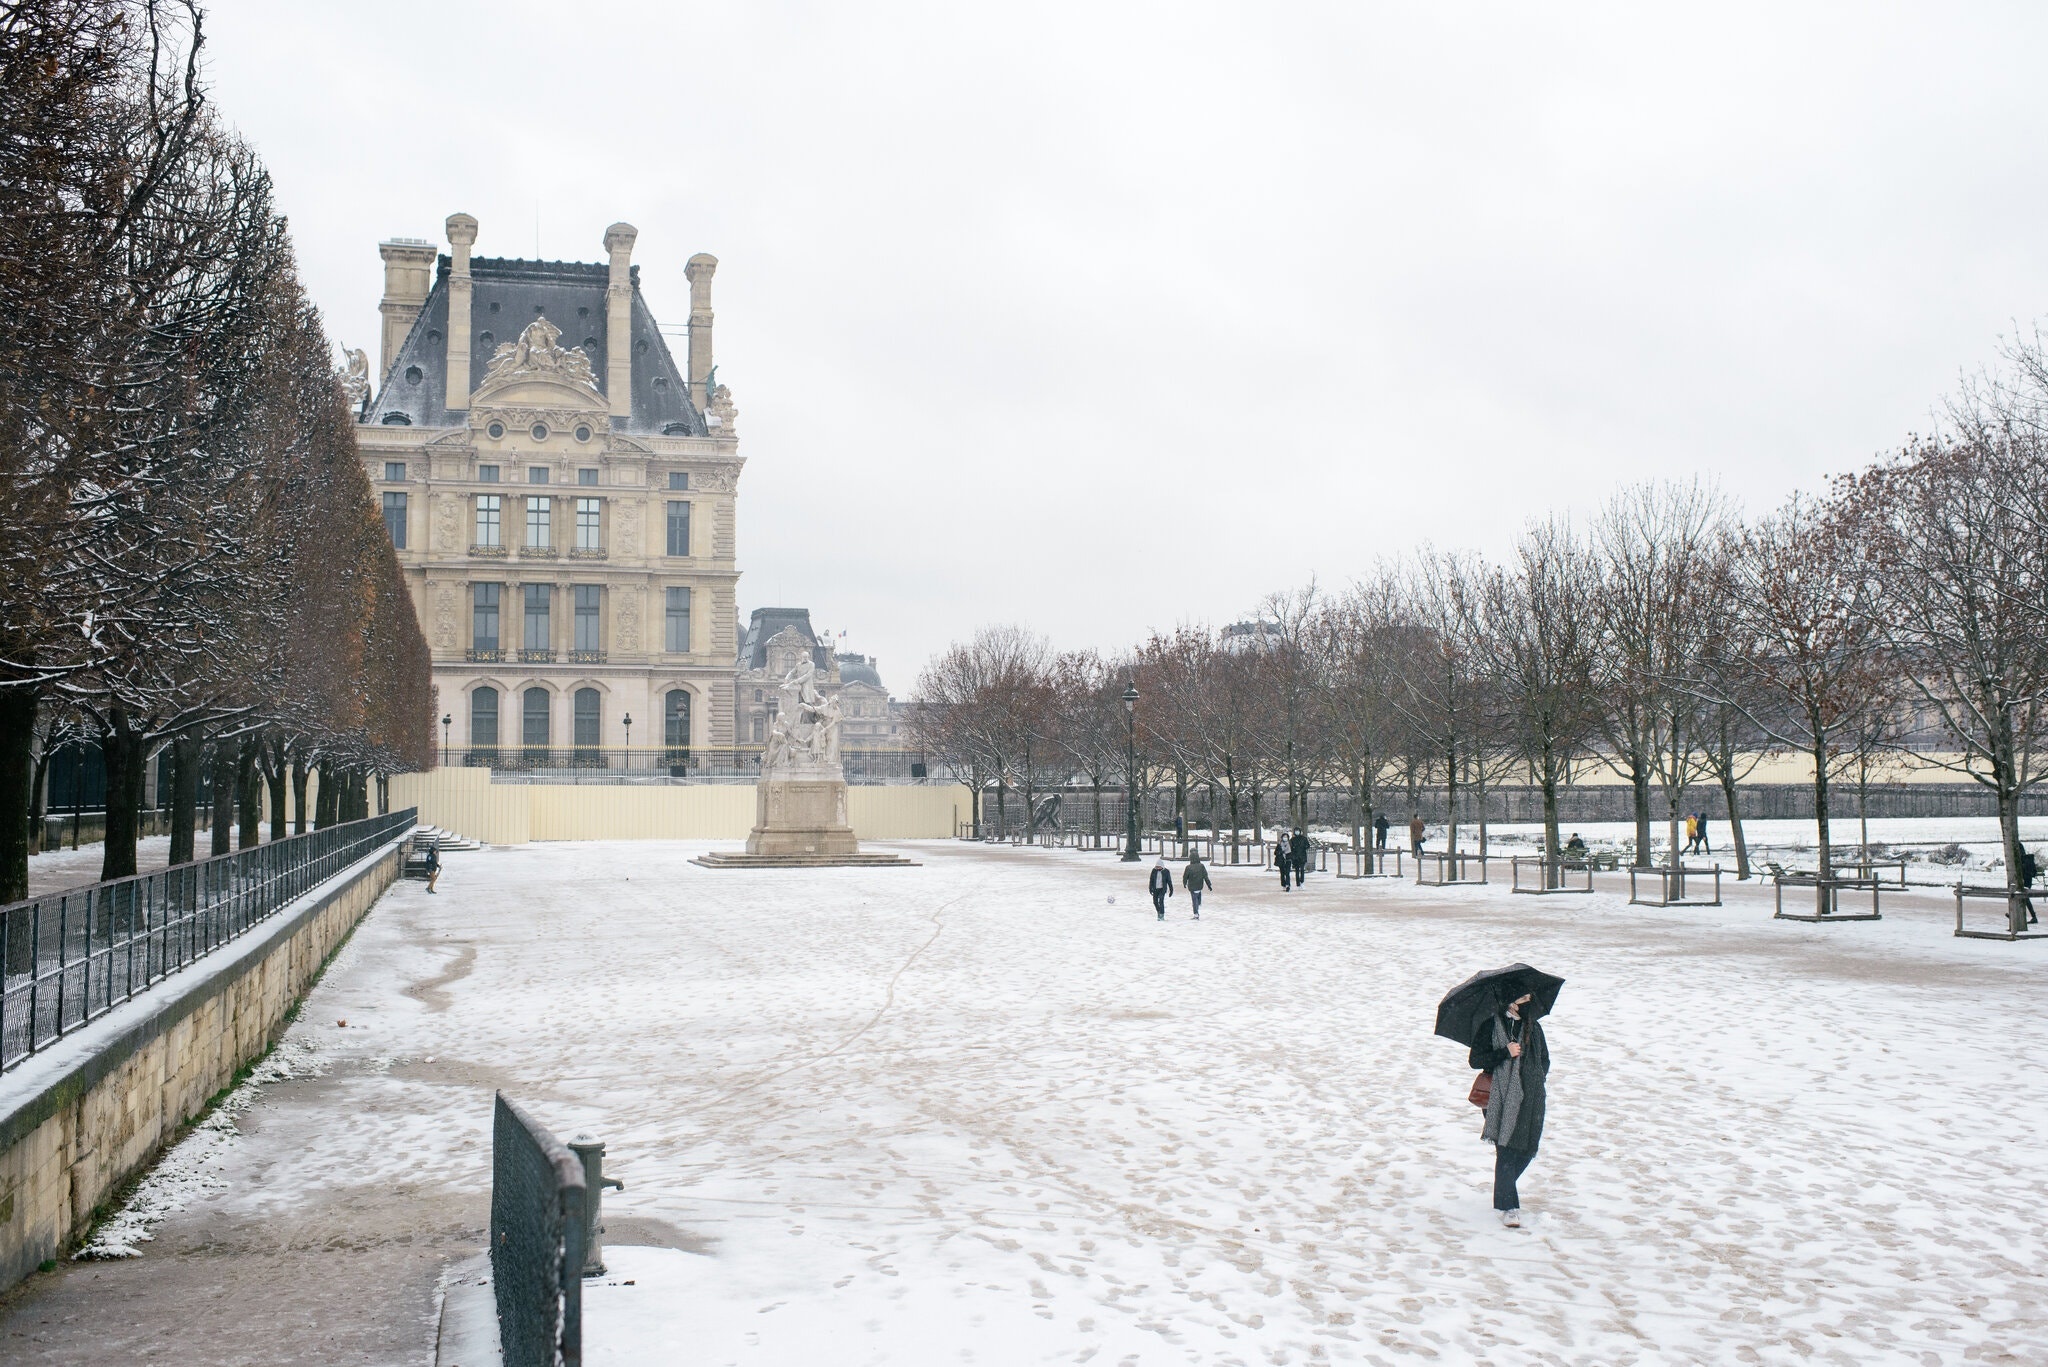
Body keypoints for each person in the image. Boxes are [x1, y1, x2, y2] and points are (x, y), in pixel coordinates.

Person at [1469, 990, 1549, 1228]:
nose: (1527, 1004)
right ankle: (1509, 1207)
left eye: (1529, 1000)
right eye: (1522, 999)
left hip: (1531, 1096)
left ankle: (1503, 1186)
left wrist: (1536, 1078)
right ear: (1510, 1001)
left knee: (1526, 1148)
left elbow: (1544, 1058)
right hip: (1499, 1097)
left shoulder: (1533, 1028)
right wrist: (1506, 1053)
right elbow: (1475, 1060)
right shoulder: (1490, 1026)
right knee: (1506, 1148)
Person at [1182, 852, 1210, 918]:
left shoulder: (1188, 867)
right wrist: (1209, 884)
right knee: (1198, 894)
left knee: (1194, 900)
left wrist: (1184, 883)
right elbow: (1205, 876)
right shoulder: (1201, 866)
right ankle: (1198, 903)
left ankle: (1196, 913)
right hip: (1199, 885)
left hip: (1192, 886)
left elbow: (1185, 876)